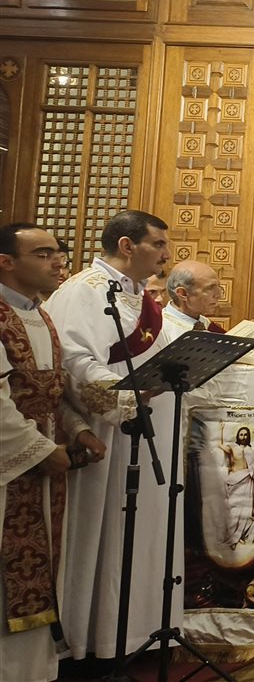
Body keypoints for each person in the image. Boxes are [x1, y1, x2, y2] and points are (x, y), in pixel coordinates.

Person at [43, 210, 175, 661]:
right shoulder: (84, 290)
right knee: (100, 535)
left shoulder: (139, 295)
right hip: (106, 431)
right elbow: (72, 361)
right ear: (126, 245)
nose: (166, 254)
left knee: (138, 532)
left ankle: (134, 632)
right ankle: (92, 639)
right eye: (158, 244)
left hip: (147, 429)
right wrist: (124, 400)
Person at [0, 223, 97, 682]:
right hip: (9, 471)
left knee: (40, 570)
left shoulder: (40, 315)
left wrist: (79, 431)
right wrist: (40, 450)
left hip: (43, 467)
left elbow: (51, 393)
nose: (57, 261)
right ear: (6, 262)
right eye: (42, 254)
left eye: (58, 252)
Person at [161, 259, 226, 337]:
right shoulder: (159, 329)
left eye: (218, 286)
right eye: (210, 288)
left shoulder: (205, 323)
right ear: (183, 293)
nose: (219, 295)